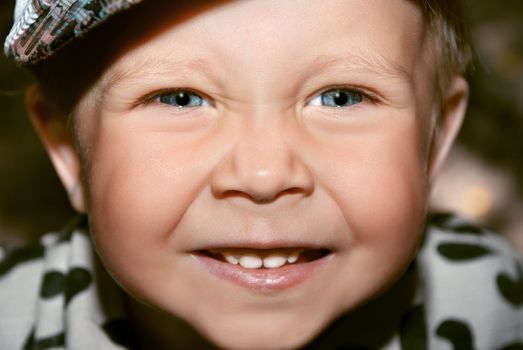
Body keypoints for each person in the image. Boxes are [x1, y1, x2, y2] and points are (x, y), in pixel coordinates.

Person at [1, 0, 522, 349]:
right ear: (68, 150)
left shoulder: (493, 304)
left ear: (435, 140)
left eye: (341, 97)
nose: (265, 173)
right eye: (180, 98)